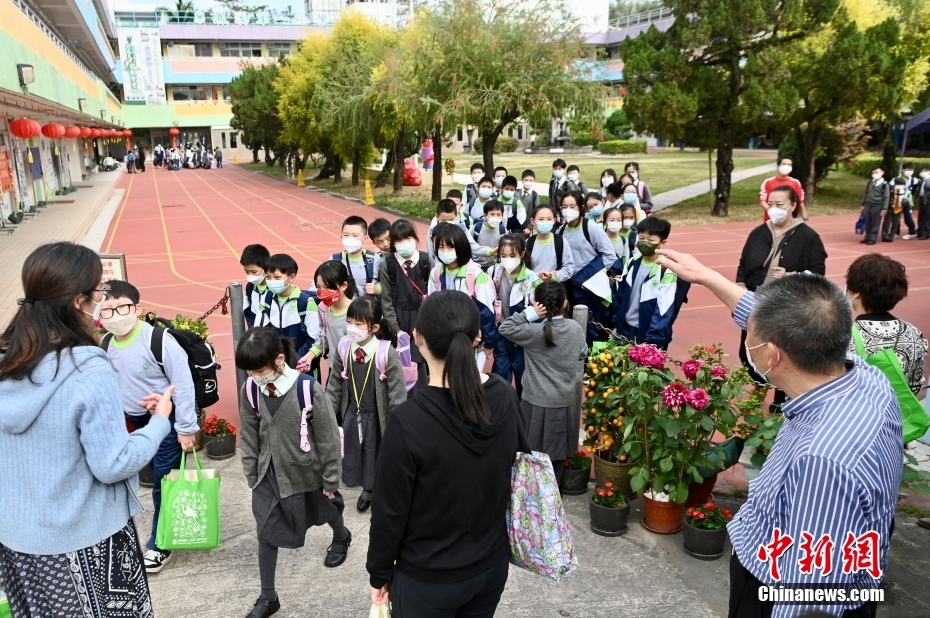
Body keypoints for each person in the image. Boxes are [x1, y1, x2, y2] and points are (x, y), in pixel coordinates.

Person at [655, 248, 902, 618]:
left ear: (771, 355)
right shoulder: (864, 375)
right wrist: (708, 277)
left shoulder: (821, 463)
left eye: (750, 338)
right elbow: (777, 319)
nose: (748, 341)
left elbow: (811, 596)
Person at [0, 242, 174, 617]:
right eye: (99, 293)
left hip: (18, 542)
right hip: (85, 540)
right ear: (79, 301)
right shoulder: (87, 366)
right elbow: (113, 463)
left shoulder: (8, 359)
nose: (102, 302)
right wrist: (160, 421)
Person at [366, 290, 520, 617]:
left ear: (417, 337)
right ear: (477, 337)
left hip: (428, 579)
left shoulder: (407, 421)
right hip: (491, 567)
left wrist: (378, 572)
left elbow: (389, 512)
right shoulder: (505, 396)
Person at [236, 327, 349, 618]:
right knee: (266, 529)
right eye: (249, 372)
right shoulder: (251, 389)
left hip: (305, 470)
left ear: (279, 360)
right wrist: (252, 473)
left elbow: (327, 438)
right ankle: (268, 597)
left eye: (259, 370)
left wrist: (330, 478)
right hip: (268, 472)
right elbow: (249, 433)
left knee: (324, 509)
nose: (254, 377)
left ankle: (341, 535)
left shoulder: (307, 389)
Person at [100, 279, 200, 574]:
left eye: (122, 307)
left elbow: (183, 385)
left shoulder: (158, 340)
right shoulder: (105, 344)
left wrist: (186, 428)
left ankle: (160, 544)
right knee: (139, 481)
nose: (116, 315)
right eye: (107, 310)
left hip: (167, 421)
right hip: (134, 423)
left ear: (137, 308)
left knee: (163, 484)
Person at [736, 184, 826, 411]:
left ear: (793, 206)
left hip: (787, 309)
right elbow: (743, 264)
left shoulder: (808, 236)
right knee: (750, 352)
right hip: (756, 304)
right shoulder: (758, 232)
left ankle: (780, 403)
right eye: (770, 204)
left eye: (779, 204)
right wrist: (740, 286)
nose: (773, 209)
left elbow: (818, 273)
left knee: (783, 355)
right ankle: (757, 394)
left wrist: (791, 275)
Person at [498, 281, 586, 484]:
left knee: (528, 455)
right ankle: (553, 497)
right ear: (565, 303)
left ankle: (528, 495)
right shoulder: (574, 328)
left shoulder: (534, 332)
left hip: (533, 402)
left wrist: (530, 313)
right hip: (562, 402)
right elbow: (583, 353)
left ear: (538, 304)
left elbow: (505, 327)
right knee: (556, 456)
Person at [325, 297, 407, 512]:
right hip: (353, 411)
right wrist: (326, 413)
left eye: (359, 323)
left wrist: (396, 426)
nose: (352, 327)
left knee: (374, 451)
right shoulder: (344, 347)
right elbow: (334, 385)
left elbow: (397, 394)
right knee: (353, 450)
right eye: (349, 321)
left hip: (378, 415)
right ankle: (361, 481)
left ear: (374, 327)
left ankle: (370, 490)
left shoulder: (385, 353)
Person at [844, 253, 927, 396]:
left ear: (856, 292)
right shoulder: (915, 334)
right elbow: (916, 388)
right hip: (900, 410)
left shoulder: (843, 336)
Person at [427, 223, 498, 368]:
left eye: (450, 247)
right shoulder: (436, 272)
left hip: (470, 341)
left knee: (468, 377)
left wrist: (489, 342)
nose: (445, 252)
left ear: (461, 246)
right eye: (441, 247)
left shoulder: (476, 275)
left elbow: (486, 312)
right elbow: (431, 306)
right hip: (445, 339)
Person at [612, 217, 685, 349]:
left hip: (647, 334)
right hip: (625, 329)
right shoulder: (632, 262)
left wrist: (651, 340)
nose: (644, 243)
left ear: (662, 243)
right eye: (641, 238)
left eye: (650, 240)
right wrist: (617, 323)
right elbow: (620, 295)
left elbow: (663, 310)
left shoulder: (666, 271)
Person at [379, 218, 433, 392]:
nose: (404, 244)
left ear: (415, 239)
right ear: (393, 243)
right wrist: (396, 329)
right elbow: (386, 299)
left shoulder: (426, 261)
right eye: (399, 240)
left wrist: (425, 324)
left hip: (421, 318)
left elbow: (433, 293)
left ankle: (421, 398)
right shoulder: (388, 264)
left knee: (420, 359)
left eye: (408, 238)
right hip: (399, 319)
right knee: (399, 359)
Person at [556, 190, 616, 344]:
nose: (568, 210)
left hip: (589, 288)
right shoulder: (560, 231)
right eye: (564, 207)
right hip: (568, 288)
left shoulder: (590, 228)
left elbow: (609, 256)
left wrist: (584, 276)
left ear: (581, 208)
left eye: (572, 206)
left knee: (590, 328)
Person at [489, 234, 541, 397]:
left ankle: (522, 409)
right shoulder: (494, 272)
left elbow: (540, 311)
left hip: (522, 337)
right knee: (500, 376)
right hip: (501, 334)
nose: (508, 260)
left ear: (522, 254)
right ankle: (502, 408)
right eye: (503, 256)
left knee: (523, 379)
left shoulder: (533, 280)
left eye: (512, 256)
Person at [256, 253, 321, 369]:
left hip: (302, 365)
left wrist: (294, 361)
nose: (271, 281)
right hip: (275, 364)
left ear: (291, 277)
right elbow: (260, 332)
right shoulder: (266, 300)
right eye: (268, 277)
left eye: (277, 277)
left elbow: (314, 338)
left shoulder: (305, 303)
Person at [308, 260, 356, 386]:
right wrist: (311, 354)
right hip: (334, 369)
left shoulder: (358, 312)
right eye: (318, 287)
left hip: (356, 371)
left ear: (343, 286)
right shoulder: (323, 308)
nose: (322, 292)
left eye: (328, 287)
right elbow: (322, 335)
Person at [333, 216, 381, 298]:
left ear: (365, 239)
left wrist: (377, 289)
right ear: (341, 237)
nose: (350, 239)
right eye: (346, 235)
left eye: (355, 235)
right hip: (344, 306)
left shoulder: (375, 260)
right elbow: (320, 285)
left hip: (368, 305)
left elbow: (388, 283)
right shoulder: (334, 260)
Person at [527, 204, 575, 284]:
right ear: (533, 221)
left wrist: (553, 276)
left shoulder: (561, 241)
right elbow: (523, 269)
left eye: (549, 219)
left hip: (554, 287)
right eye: (541, 219)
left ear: (554, 220)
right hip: (533, 287)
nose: (545, 222)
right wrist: (537, 275)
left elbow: (569, 267)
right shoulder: (528, 243)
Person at [759, 157, 806, 222]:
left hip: (789, 221)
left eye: (789, 165)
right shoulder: (768, 182)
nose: (786, 166)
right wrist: (773, 212)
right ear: (778, 166)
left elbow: (800, 202)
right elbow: (762, 201)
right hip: (771, 220)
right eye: (784, 164)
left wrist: (804, 217)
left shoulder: (795, 183)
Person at [242, 243, 271, 329]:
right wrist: (252, 329)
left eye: (254, 272)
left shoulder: (274, 289)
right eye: (247, 272)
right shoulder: (250, 288)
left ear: (265, 268)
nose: (250, 275)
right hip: (256, 332)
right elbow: (248, 311)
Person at [471, 200, 507, 270]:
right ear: (485, 216)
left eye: (498, 214)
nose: (495, 217)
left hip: (494, 266)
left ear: (502, 216)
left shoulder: (503, 230)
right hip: (476, 265)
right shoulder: (477, 228)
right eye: (492, 214)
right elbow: (468, 242)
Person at [860, 165, 890, 246]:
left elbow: (886, 197)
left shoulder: (885, 184)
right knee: (868, 221)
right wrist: (863, 203)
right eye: (873, 173)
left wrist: (884, 209)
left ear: (882, 173)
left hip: (877, 205)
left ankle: (872, 238)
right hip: (868, 204)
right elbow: (866, 193)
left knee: (875, 222)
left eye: (877, 172)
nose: (874, 174)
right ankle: (867, 237)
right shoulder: (870, 183)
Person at [603, 204, 638, 269]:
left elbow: (626, 259)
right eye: (612, 220)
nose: (615, 223)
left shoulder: (625, 240)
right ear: (605, 222)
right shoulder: (600, 239)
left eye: (619, 220)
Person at [881, 177, 907, 242]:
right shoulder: (891, 189)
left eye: (902, 185)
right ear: (895, 184)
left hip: (899, 209)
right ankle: (884, 235)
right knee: (887, 222)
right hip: (890, 207)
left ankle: (892, 235)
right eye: (899, 184)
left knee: (896, 223)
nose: (900, 186)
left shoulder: (904, 191)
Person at [917, 166, 930, 240]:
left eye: (924, 171)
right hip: (922, 199)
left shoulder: (927, 180)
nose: (922, 173)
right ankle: (920, 231)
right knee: (921, 216)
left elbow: (928, 186)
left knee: (927, 218)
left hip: (928, 201)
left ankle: (926, 234)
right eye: (922, 171)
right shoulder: (923, 180)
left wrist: (927, 179)